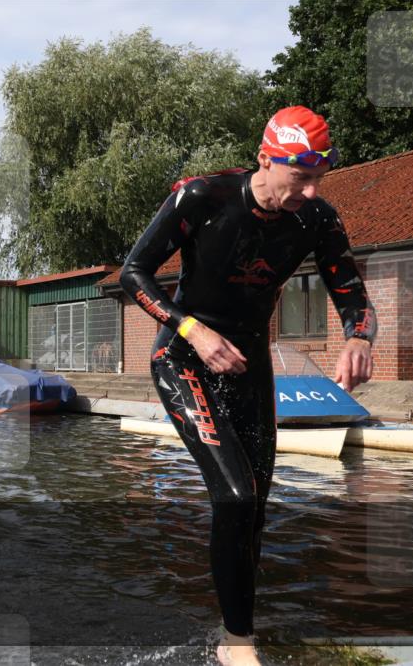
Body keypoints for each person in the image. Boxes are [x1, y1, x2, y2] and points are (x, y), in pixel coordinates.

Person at [119, 106, 376, 666]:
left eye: (318, 179)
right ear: (266, 160)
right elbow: (133, 273)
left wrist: (358, 337)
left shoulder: (316, 219)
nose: (310, 192)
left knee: (254, 508)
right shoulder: (202, 197)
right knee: (234, 495)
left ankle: (236, 627)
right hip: (184, 354)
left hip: (249, 362)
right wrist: (192, 329)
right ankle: (237, 644)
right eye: (299, 178)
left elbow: (350, 290)